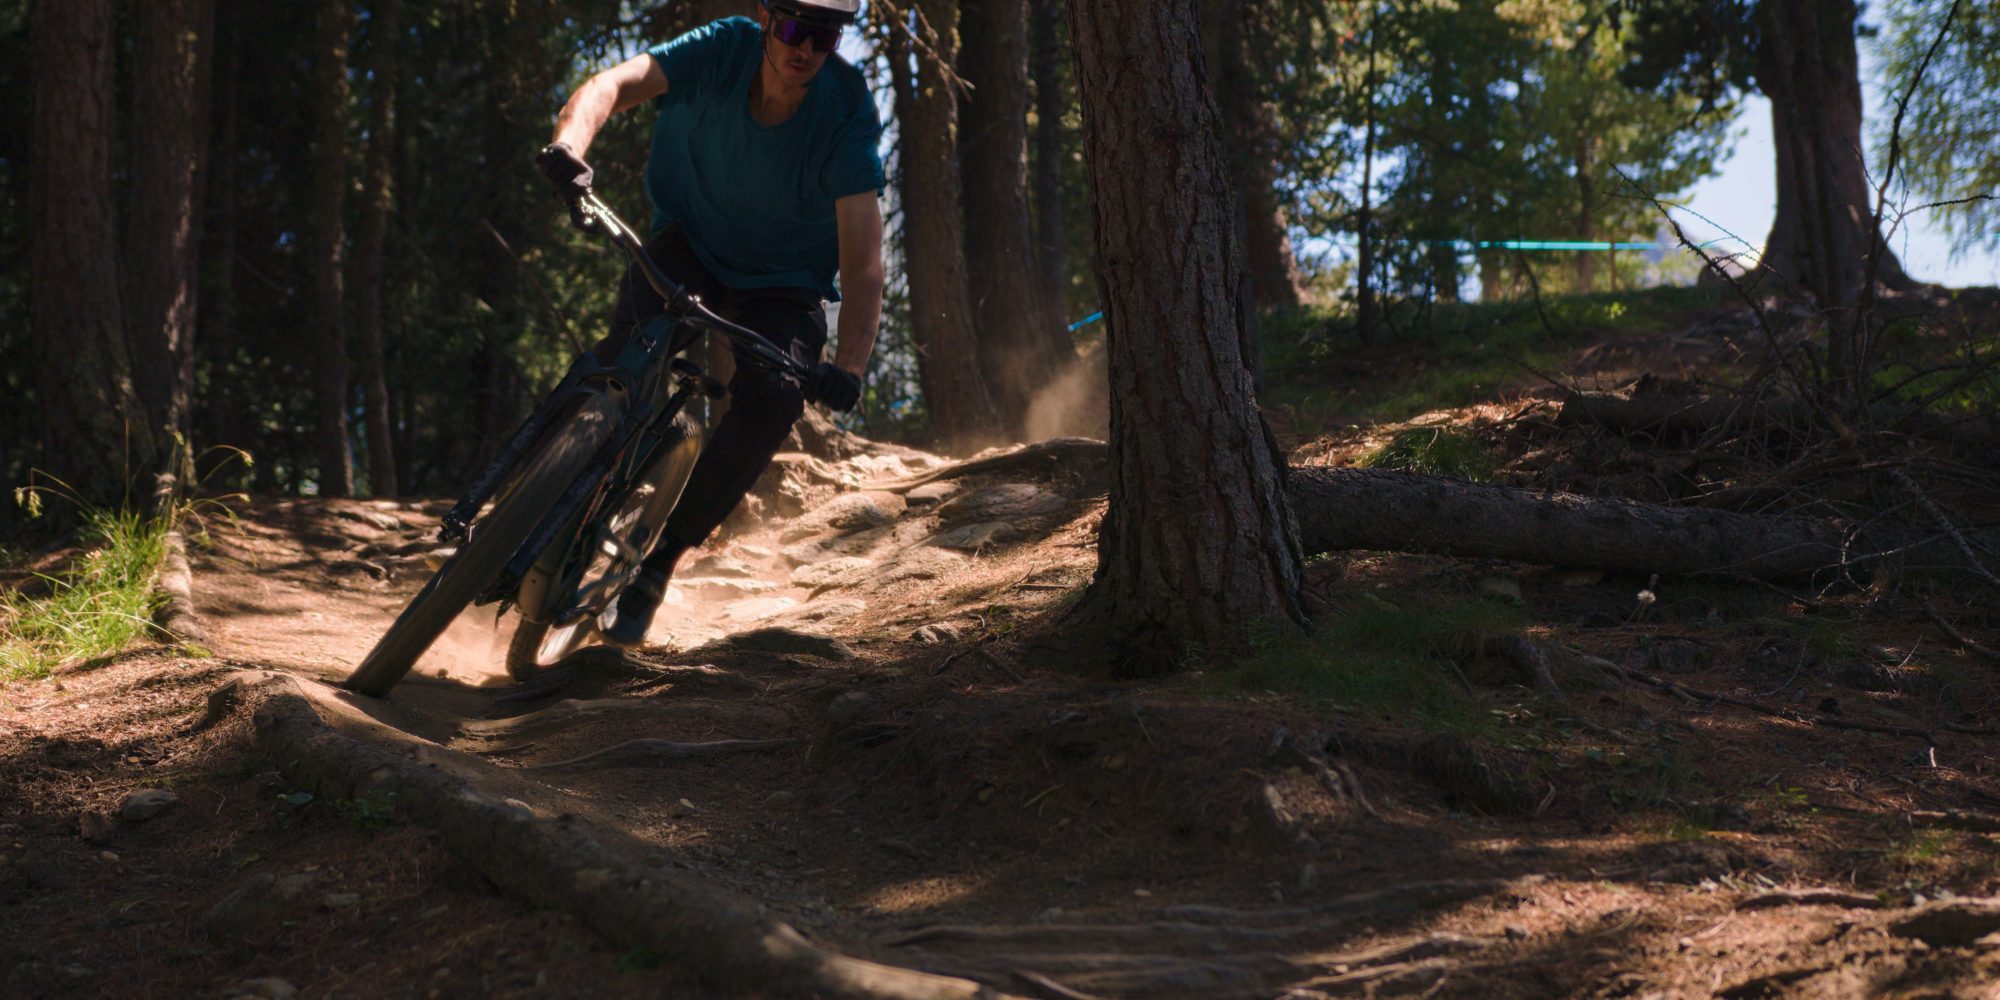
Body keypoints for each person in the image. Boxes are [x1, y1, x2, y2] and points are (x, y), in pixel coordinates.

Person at [534, 0, 884, 647]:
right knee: (623, 358)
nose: (806, 49)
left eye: (824, 37)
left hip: (785, 283)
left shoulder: (845, 107)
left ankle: (660, 562)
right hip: (690, 243)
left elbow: (864, 260)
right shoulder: (721, 49)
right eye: (794, 29)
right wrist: (569, 148)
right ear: (766, 18)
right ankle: (547, 503)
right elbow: (612, 85)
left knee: (773, 400)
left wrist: (849, 368)